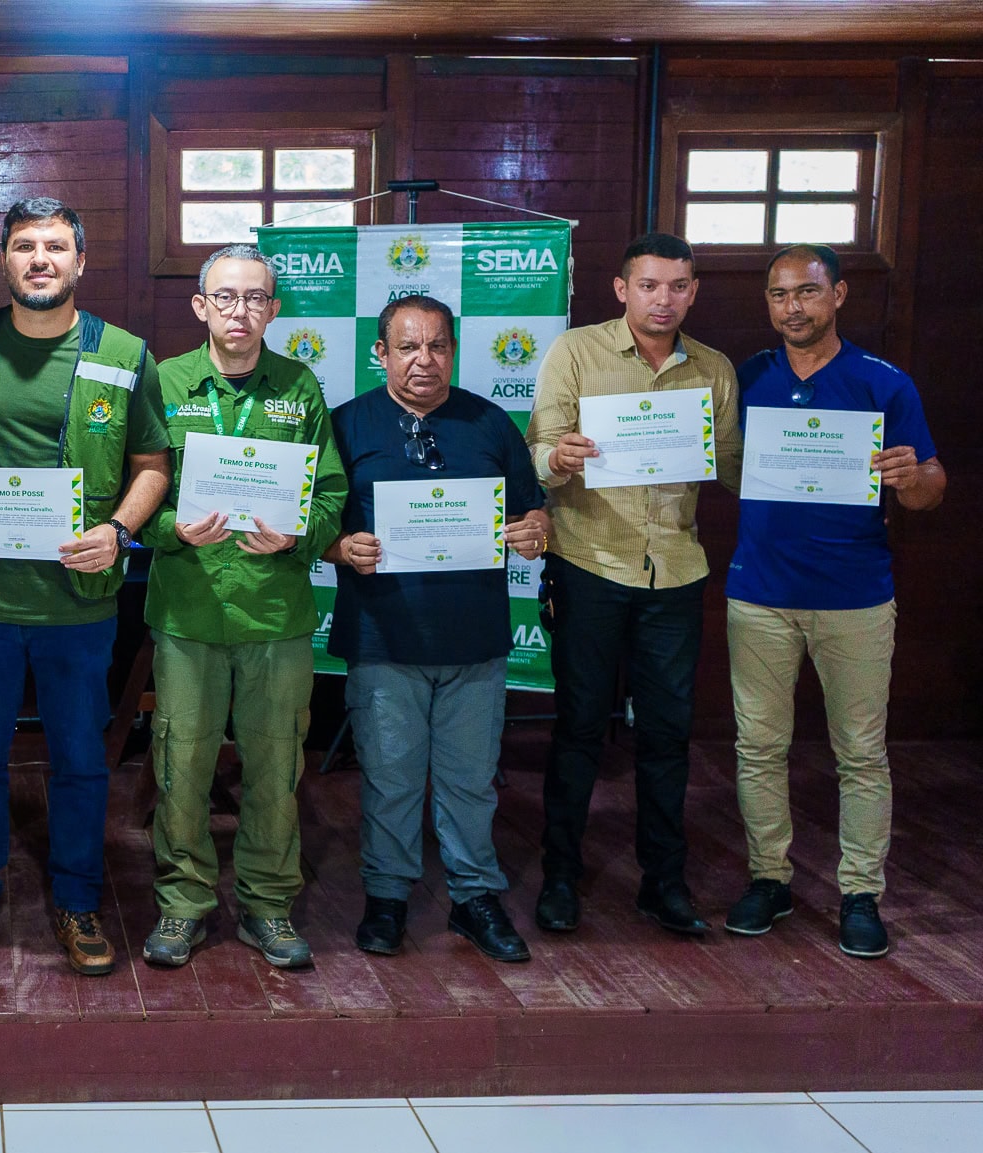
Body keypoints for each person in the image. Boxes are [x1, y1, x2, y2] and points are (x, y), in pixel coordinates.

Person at [0, 197, 171, 977]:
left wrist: (119, 530)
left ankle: (78, 897)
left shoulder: (125, 353)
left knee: (81, 760)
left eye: (55, 246)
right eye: (24, 245)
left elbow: (152, 464)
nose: (39, 259)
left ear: (79, 261)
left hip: (77, 605)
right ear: (4, 258)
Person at [722, 244, 945, 959]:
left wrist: (912, 478)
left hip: (856, 597)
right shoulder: (747, 378)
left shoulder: (884, 382)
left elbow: (930, 486)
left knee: (861, 754)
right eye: (779, 295)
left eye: (808, 292)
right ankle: (770, 879)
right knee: (759, 748)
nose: (793, 307)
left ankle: (860, 893)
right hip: (759, 594)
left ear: (839, 295)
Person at [526, 232, 743, 938]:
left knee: (667, 735)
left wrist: (827, 464)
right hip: (589, 563)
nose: (663, 299)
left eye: (678, 286)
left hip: (675, 571)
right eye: (649, 285)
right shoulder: (575, 352)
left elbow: (735, 468)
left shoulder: (713, 369)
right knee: (580, 728)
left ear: (693, 292)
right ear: (622, 289)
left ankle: (664, 881)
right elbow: (536, 451)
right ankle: (561, 876)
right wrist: (558, 457)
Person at [137, 244, 348, 970]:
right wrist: (170, 528)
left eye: (255, 297)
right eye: (225, 297)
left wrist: (300, 534)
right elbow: (133, 489)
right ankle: (183, 902)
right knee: (181, 765)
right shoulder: (163, 382)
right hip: (189, 610)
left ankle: (268, 904)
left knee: (276, 767)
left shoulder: (300, 385)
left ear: (274, 309)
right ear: (200, 306)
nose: (240, 310)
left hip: (275, 613)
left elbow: (331, 493)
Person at [326, 295, 549, 963]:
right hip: (383, 638)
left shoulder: (490, 421)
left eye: (437, 346)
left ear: (453, 350)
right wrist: (341, 549)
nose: (424, 360)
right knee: (389, 779)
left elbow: (533, 512)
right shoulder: (347, 424)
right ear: (381, 353)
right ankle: (387, 896)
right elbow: (313, 522)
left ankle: (474, 896)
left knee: (470, 781)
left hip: (473, 639)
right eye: (407, 347)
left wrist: (535, 532)